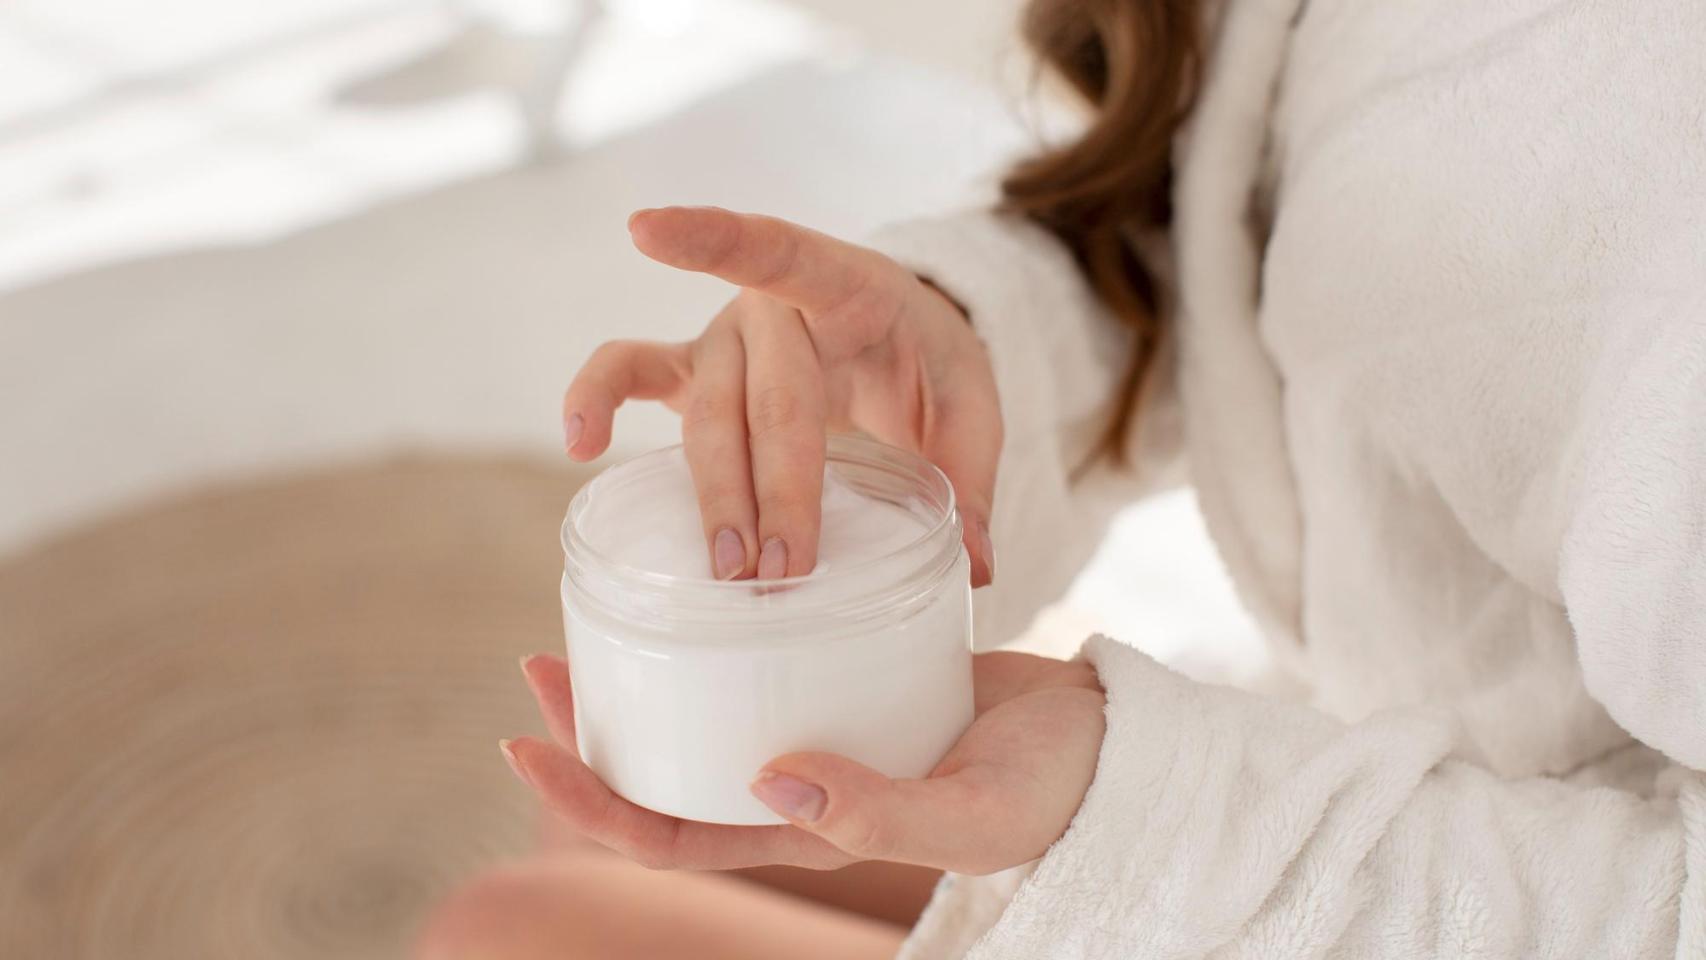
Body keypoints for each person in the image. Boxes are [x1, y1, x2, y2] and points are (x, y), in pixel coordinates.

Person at [417, 0, 1706, 956]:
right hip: (1423, 748)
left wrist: (1146, 800)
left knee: (516, 935)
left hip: (1515, 888)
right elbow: (1269, 231)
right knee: (625, 817)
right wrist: (957, 351)